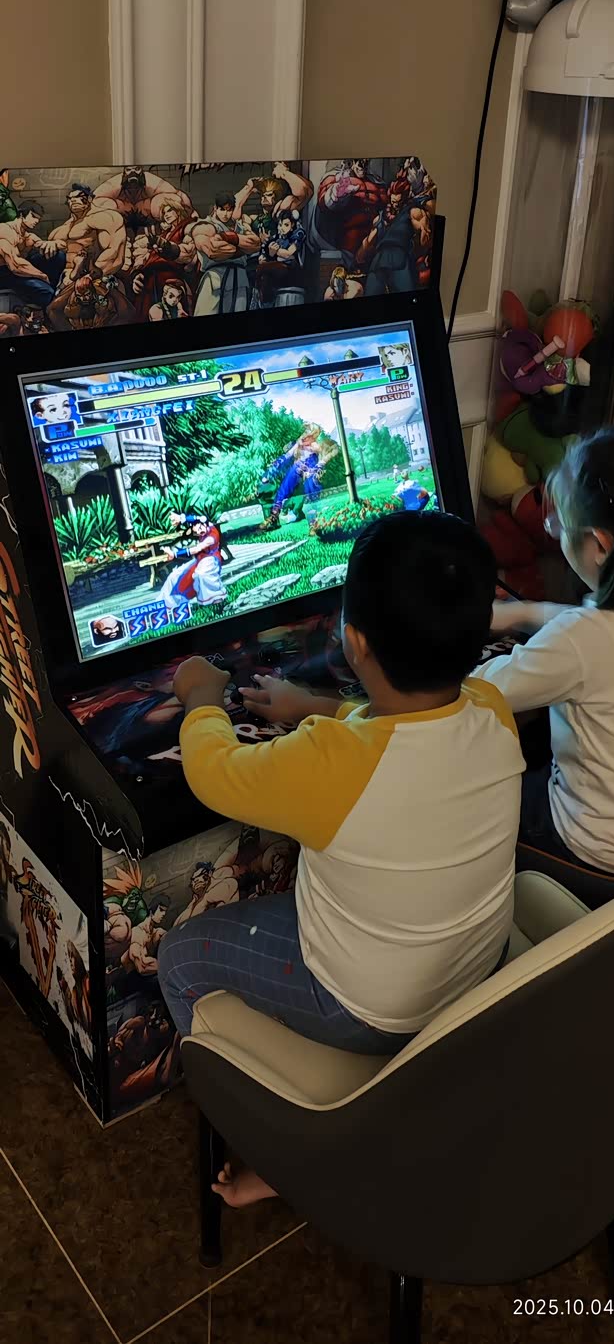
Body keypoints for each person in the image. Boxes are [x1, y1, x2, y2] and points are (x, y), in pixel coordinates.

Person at [158, 511, 523, 1207]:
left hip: (366, 1010)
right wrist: (313, 707)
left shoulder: (330, 762)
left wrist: (202, 700)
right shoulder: (492, 709)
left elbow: (212, 771)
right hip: (478, 970)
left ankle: (281, 1147)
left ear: (354, 641)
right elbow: (398, 729)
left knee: (177, 956)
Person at [476, 426, 614, 877]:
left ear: (598, 545)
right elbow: (601, 637)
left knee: (476, 789)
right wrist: (522, 613)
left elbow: (481, 690)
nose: (551, 529)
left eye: (558, 523)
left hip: (597, 851)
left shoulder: (578, 641)